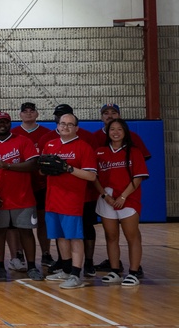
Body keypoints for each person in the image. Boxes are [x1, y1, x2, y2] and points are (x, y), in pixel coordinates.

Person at [0, 112, 42, 281]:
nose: (3, 125)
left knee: (26, 232)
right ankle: (0, 267)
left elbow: (33, 164)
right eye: (0, 122)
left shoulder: (23, 141)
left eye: (6, 122)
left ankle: (32, 266)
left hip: (22, 196)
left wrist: (7, 166)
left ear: (10, 123)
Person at [42, 112, 98, 289]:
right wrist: (48, 168)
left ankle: (76, 274)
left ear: (77, 128)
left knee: (74, 237)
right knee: (60, 236)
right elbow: (41, 171)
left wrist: (67, 168)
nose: (65, 127)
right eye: (62, 123)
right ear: (57, 126)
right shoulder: (49, 144)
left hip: (71, 200)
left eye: (70, 124)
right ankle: (66, 270)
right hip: (52, 199)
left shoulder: (84, 147)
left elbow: (91, 175)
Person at [94, 118, 148, 287]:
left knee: (131, 236)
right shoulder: (100, 152)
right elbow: (94, 177)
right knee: (111, 236)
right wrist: (105, 196)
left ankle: (133, 272)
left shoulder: (134, 152)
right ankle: (115, 271)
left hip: (128, 198)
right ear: (107, 132)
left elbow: (138, 177)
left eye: (119, 129)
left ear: (125, 132)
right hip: (106, 198)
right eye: (112, 129)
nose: (115, 132)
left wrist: (123, 197)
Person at [13, 102, 54, 268]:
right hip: (19, 186)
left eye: (32, 111)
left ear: (37, 114)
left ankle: (46, 253)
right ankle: (18, 254)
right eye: (25, 111)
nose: (28, 114)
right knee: (18, 223)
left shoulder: (46, 134)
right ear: (20, 115)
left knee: (43, 220)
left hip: (41, 184)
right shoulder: (14, 134)